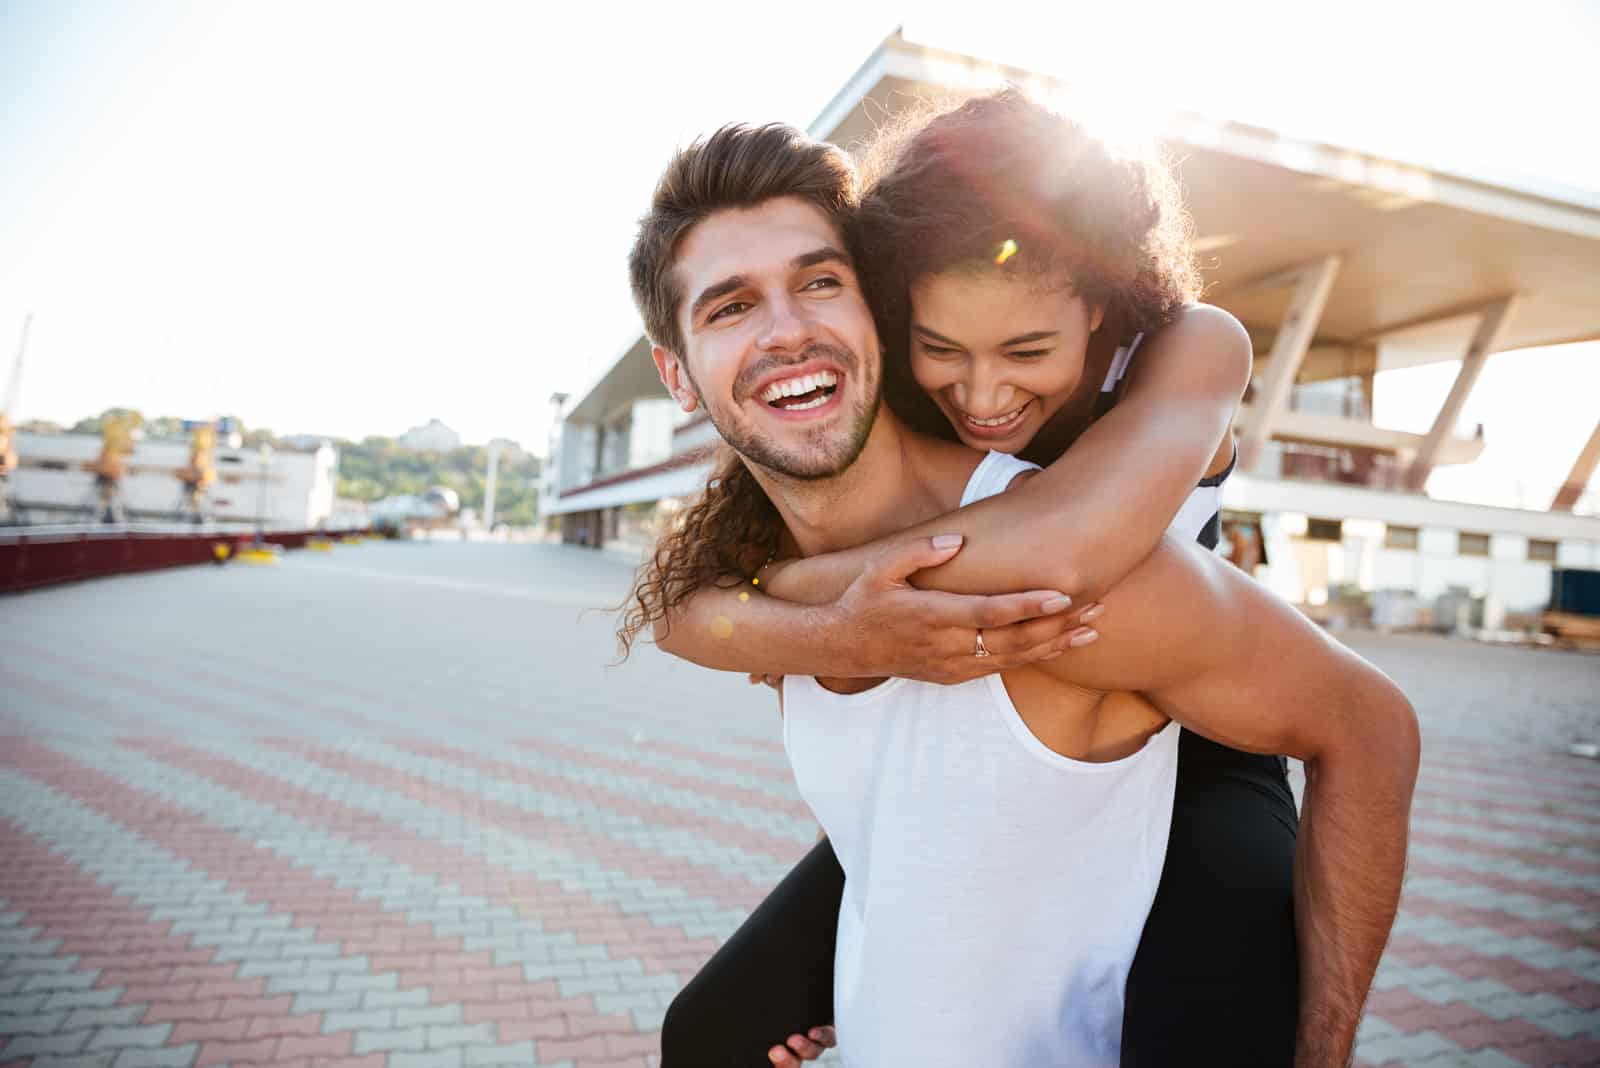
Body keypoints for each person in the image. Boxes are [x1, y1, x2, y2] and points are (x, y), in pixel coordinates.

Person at [621, 107, 1417, 1067]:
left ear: (1096, 300)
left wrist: (796, 594)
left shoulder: (1182, 349)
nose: (985, 395)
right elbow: (673, 606)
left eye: (818, 282)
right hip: (1047, 697)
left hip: (1210, 738)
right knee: (705, 1034)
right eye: (731, 305)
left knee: (1223, 1007)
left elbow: (1066, 550)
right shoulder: (911, 384)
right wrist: (833, 632)